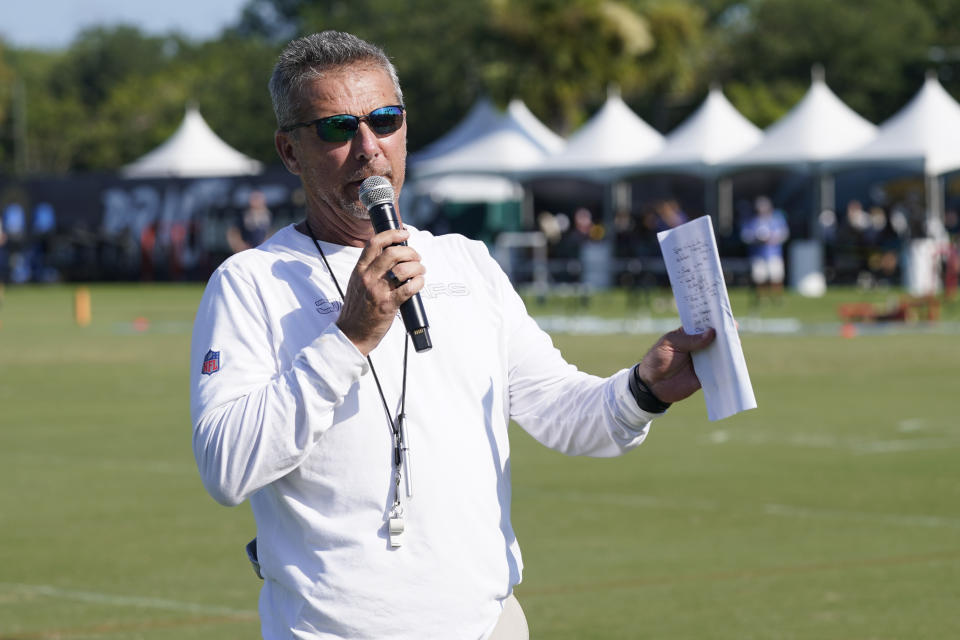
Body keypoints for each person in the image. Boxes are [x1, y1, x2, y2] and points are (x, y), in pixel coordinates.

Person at [190, 30, 715, 640]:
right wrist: (348, 338)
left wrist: (644, 388)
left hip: (486, 622)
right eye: (337, 128)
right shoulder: (251, 282)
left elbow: (562, 409)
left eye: (385, 120)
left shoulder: (466, 263)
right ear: (289, 150)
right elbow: (225, 469)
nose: (368, 147)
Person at [740, 195, 790, 302]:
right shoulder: (752, 221)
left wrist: (774, 238)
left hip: (774, 253)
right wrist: (757, 239)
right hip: (758, 253)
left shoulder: (776, 219)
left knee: (776, 276)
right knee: (760, 277)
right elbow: (745, 236)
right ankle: (762, 298)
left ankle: (777, 298)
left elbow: (784, 233)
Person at [226, 189, 274, 253]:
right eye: (254, 198)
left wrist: (267, 243)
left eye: (258, 198)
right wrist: (239, 245)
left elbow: (271, 231)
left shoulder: (268, 215)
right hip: (247, 250)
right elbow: (232, 232)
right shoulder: (244, 215)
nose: (256, 201)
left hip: (262, 250)